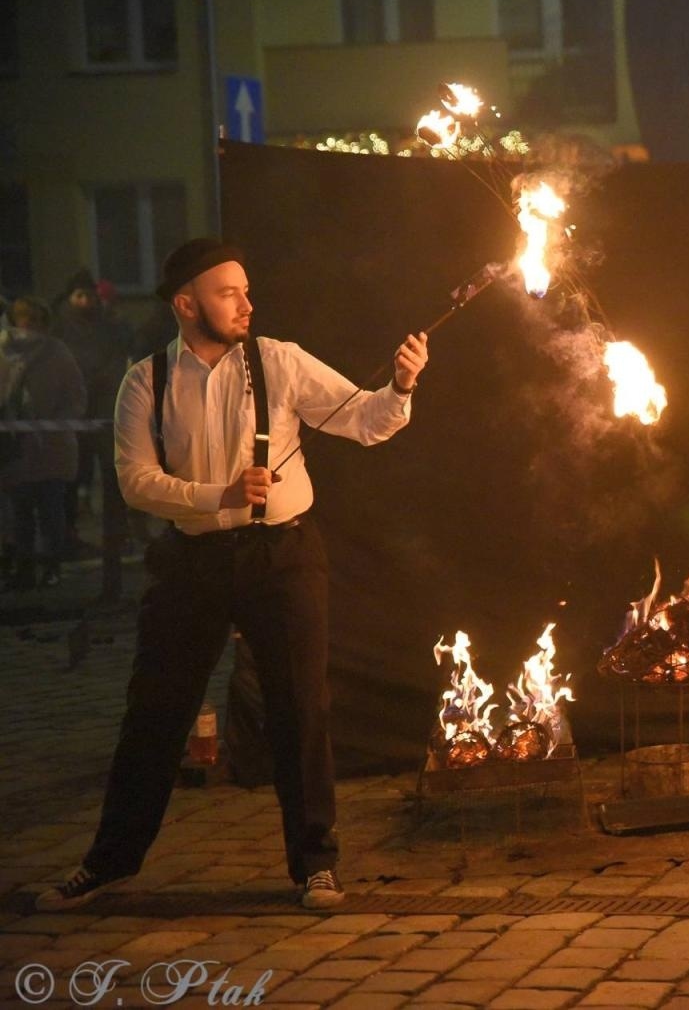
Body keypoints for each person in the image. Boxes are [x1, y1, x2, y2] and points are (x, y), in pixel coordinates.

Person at [36, 238, 429, 911]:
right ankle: (108, 862)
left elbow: (364, 421)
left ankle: (315, 865)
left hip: (283, 556)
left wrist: (399, 385)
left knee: (301, 708)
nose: (247, 303)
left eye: (247, 290)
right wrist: (217, 495)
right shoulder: (145, 381)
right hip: (193, 562)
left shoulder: (279, 362)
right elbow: (135, 482)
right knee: (154, 713)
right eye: (229, 293)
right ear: (188, 304)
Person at [2, 296, 87, 589]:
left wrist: (55, 424)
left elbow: (76, 396)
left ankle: (52, 566)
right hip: (14, 448)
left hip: (51, 447)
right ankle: (24, 568)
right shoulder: (4, 351)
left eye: (35, 318)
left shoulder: (57, 353)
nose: (29, 324)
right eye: (23, 317)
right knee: (20, 513)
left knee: (51, 510)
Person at [52, 270, 132, 553]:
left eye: (89, 295)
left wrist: (105, 385)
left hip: (104, 410)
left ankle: (117, 536)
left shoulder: (107, 326)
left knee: (112, 475)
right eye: (80, 295)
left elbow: (117, 358)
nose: (85, 301)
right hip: (72, 413)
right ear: (71, 298)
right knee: (72, 476)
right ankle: (69, 535)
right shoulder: (59, 327)